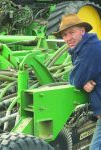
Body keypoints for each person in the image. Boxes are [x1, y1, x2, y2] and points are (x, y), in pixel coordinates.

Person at [53, 14, 101, 150]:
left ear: (82, 31)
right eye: (64, 35)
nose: (68, 38)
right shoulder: (88, 47)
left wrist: (81, 80)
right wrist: (83, 80)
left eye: (71, 32)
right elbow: (79, 77)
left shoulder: (91, 50)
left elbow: (75, 79)